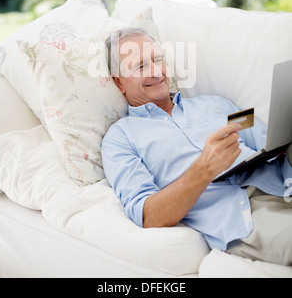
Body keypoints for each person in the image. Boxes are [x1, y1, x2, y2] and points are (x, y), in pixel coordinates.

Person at [101, 27, 292, 266]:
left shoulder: (216, 103)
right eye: (141, 66)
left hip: (284, 184)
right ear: (120, 83)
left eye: (158, 60)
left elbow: (271, 138)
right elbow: (148, 215)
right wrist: (204, 169)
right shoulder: (119, 139)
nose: (156, 72)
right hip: (245, 216)